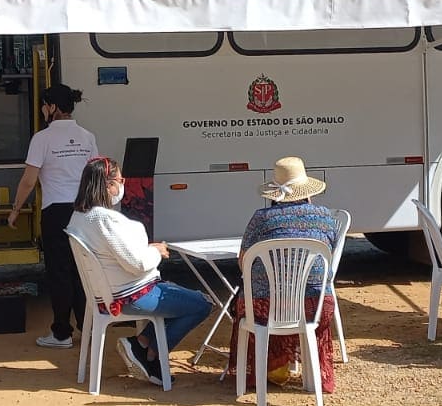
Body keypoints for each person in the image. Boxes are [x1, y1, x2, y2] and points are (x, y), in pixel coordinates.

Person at [67, 156, 213, 385]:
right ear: (108, 185)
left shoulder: (79, 216)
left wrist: (148, 249)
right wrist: (157, 252)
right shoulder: (106, 219)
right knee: (202, 304)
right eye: (121, 180)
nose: (123, 185)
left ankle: (142, 343)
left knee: (184, 298)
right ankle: (149, 352)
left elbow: (116, 254)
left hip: (106, 294)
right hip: (132, 296)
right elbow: (137, 264)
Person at [227, 156, 341, 392]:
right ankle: (313, 376)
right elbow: (327, 256)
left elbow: (243, 262)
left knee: (249, 304)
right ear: (308, 191)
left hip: (265, 309)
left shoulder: (261, 218)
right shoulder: (326, 217)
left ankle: (269, 368)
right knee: (304, 303)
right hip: (316, 306)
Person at [6, 83, 97, 350]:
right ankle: (89, 328)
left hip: (56, 212)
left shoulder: (42, 138)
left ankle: (61, 333)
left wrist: (16, 209)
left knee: (59, 272)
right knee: (82, 271)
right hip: (84, 210)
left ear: (53, 107)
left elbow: (28, 180)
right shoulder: (87, 137)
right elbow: (95, 175)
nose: (43, 110)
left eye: (44, 105)